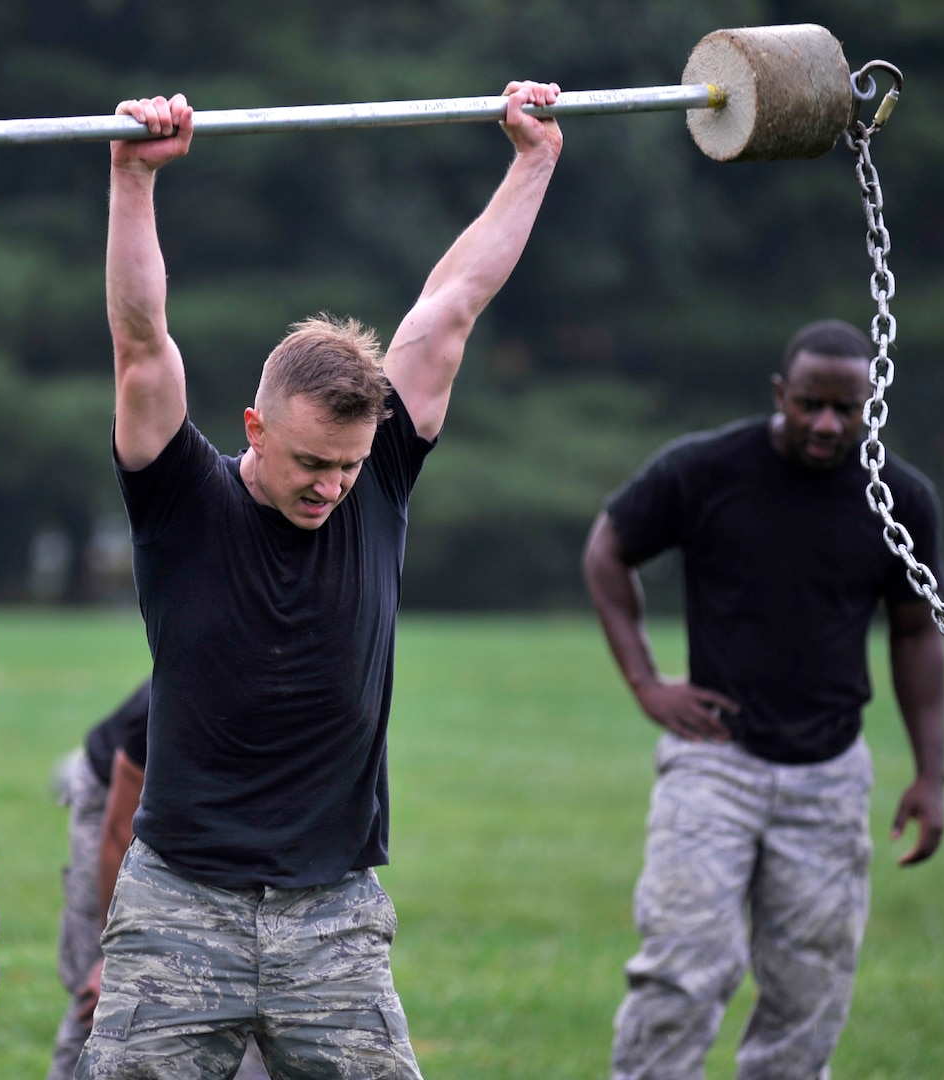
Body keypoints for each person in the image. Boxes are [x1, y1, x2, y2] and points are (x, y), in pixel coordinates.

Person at [78, 81, 562, 1078]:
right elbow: (140, 341)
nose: (332, 487)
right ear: (256, 428)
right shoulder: (178, 496)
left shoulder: (377, 478)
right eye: (310, 464)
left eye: (347, 466)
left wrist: (533, 160)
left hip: (333, 912)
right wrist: (133, 177)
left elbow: (452, 307)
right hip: (181, 904)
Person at [581, 319, 944, 1079]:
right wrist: (648, 683)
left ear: (871, 404)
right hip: (715, 762)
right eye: (811, 403)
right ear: (782, 393)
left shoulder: (900, 499)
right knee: (684, 969)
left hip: (828, 775)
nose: (826, 423)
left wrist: (930, 775)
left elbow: (916, 634)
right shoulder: (707, 469)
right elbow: (607, 551)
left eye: (846, 410)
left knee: (808, 990)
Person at [48, 679, 270, 1080]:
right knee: (105, 999)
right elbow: (118, 828)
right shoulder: (181, 695)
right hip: (112, 796)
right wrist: (112, 955)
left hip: (210, 819)